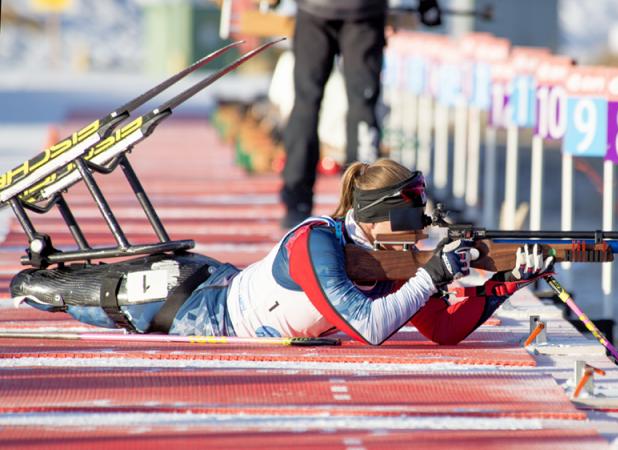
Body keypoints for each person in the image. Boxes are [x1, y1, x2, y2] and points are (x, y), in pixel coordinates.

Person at [16, 159, 553, 346]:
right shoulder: (315, 242)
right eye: (411, 212)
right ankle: (34, 274)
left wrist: (507, 283)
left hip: (221, 280)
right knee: (73, 294)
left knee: (101, 285)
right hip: (197, 307)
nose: (421, 225)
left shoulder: (388, 263)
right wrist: (434, 273)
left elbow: (443, 331)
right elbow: (367, 327)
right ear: (375, 214)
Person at [280, 0, 442, 228]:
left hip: (314, 9)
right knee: (362, 106)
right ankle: (365, 201)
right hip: (363, 11)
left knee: (306, 102)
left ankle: (297, 202)